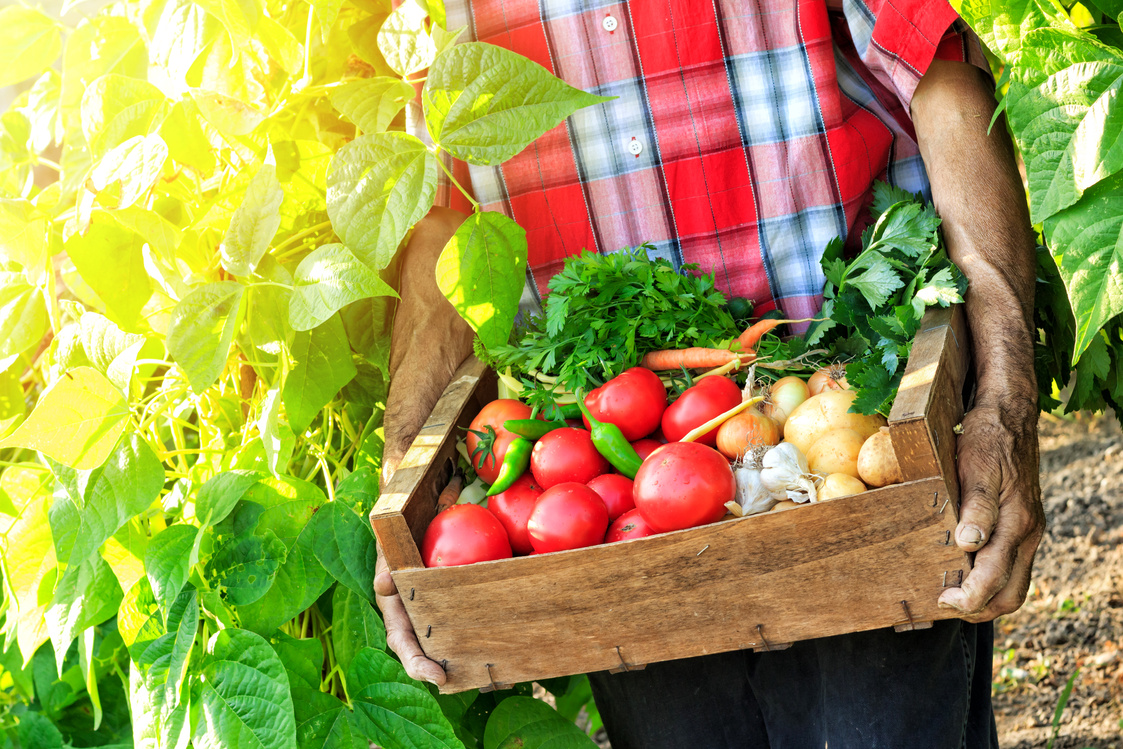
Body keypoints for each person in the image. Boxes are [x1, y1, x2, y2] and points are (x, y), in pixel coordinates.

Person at [374, 1, 1045, 746]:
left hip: (847, 427)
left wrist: (1004, 400)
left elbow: (941, 73)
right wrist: (401, 482)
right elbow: (434, 211)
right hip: (617, 507)